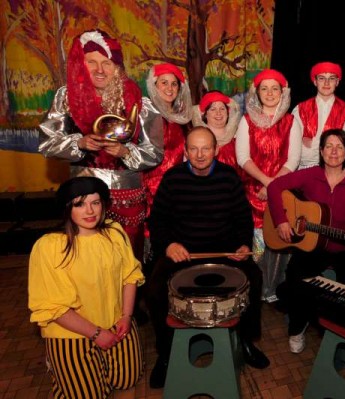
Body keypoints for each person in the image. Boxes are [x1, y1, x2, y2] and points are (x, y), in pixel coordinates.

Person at [146, 126, 270, 389]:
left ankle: (247, 340)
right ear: (186, 151)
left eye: (206, 148)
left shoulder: (229, 178)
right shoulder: (172, 178)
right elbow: (157, 221)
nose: (200, 155)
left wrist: (241, 245)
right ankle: (166, 354)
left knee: (254, 278)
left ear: (216, 150)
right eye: (194, 148)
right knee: (155, 288)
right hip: (183, 252)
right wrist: (168, 245)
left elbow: (242, 219)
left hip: (223, 250)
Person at [38, 29, 163, 262]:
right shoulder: (66, 98)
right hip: (84, 196)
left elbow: (155, 153)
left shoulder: (139, 103)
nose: (99, 70)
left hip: (128, 197)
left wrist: (126, 152)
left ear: (117, 67)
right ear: (81, 64)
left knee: (127, 261)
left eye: (106, 63)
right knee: (87, 262)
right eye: (92, 62)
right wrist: (80, 143)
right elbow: (47, 143)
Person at [28, 176, 144, 399]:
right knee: (88, 394)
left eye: (96, 202)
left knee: (127, 379)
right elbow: (53, 306)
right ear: (67, 208)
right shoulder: (49, 246)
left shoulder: (114, 232)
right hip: (71, 334)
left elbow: (130, 276)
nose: (90, 211)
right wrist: (97, 334)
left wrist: (126, 316)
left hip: (116, 322)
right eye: (79, 204)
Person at [267, 128, 345, 353]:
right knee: (295, 277)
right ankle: (297, 327)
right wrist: (281, 220)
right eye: (329, 146)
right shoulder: (309, 175)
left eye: (340, 147)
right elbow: (275, 187)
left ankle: (342, 336)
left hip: (344, 248)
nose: (334, 152)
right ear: (321, 151)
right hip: (312, 246)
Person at [235, 68, 302, 301]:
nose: (270, 93)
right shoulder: (246, 121)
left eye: (275, 88)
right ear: (257, 93)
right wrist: (265, 182)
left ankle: (274, 289)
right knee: (256, 245)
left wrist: (272, 187)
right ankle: (253, 289)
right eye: (265, 88)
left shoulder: (292, 121)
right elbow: (243, 157)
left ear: (283, 92)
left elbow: (293, 160)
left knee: (279, 242)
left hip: (281, 193)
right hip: (253, 192)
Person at [142, 62, 193, 241]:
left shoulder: (184, 119)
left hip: (178, 188)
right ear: (154, 85)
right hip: (150, 189)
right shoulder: (145, 115)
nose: (169, 88)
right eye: (164, 82)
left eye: (174, 84)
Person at [291, 61, 345, 169]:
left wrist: (311, 144)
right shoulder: (300, 109)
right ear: (315, 81)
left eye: (331, 78)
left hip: (334, 169)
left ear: (337, 82)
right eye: (321, 78)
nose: (326, 83)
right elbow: (294, 146)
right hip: (304, 169)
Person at [192, 90, 243, 174]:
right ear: (205, 114)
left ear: (227, 113)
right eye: (213, 109)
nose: (218, 113)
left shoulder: (238, 139)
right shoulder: (196, 140)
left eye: (222, 109)